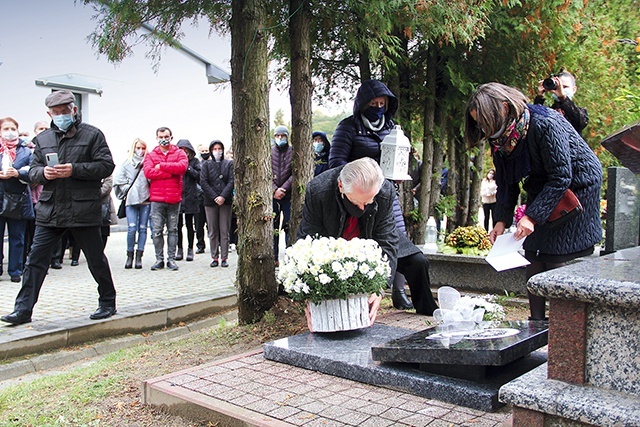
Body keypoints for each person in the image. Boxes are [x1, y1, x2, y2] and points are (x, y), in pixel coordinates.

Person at [465, 82, 602, 320]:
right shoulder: (501, 139)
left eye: (485, 121)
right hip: (544, 185)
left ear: (505, 108)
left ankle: (565, 326)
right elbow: (506, 182)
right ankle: (537, 322)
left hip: (576, 187)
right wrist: (500, 220)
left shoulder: (544, 123)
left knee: (557, 253)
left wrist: (532, 216)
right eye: (478, 123)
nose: (483, 128)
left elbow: (561, 175)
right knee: (532, 253)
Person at [1, 90, 117, 325]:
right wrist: (43, 173)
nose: (62, 116)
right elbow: (32, 171)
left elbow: (106, 166)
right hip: (51, 209)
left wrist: (75, 169)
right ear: (49, 114)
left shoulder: (92, 135)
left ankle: (107, 302)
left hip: (82, 209)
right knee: (35, 260)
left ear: (74, 110)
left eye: (66, 111)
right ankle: (23, 310)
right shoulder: (42, 140)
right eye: (56, 113)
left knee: (95, 258)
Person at [297, 157, 438, 317]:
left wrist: (379, 288)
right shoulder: (318, 190)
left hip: (374, 232)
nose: (362, 208)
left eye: (368, 202)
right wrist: (309, 295)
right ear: (341, 186)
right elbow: (307, 240)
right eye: (357, 202)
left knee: (418, 262)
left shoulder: (384, 191)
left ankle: (428, 314)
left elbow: (388, 241)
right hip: (334, 235)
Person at [327, 79, 418, 311]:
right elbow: (336, 163)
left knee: (396, 238)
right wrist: (362, 179)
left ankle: (398, 292)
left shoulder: (392, 128)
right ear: (362, 104)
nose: (378, 107)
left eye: (382, 103)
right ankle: (354, 292)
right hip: (358, 196)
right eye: (373, 103)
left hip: (387, 195)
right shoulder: (347, 128)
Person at [143, 127, 188, 271]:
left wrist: (162, 166)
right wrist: (170, 173)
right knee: (156, 230)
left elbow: (182, 167)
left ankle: (171, 259)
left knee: (173, 230)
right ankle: (159, 259)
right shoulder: (150, 155)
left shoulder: (179, 153)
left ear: (171, 137)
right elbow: (148, 172)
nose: (164, 138)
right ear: (156, 137)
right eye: (161, 136)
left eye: (166, 136)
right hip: (157, 199)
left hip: (174, 198)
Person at [0, 117, 35, 283]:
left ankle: (15, 270)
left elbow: (34, 172)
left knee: (18, 237)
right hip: (0, 197)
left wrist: (18, 173)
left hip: (18, 199)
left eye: (12, 128)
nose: (9, 132)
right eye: (6, 129)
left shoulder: (26, 151)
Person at [114, 138, 150, 269]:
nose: (140, 151)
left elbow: (152, 178)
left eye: (143, 148)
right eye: (138, 148)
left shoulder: (148, 163)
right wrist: (128, 190)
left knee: (143, 228)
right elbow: (118, 180)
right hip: (130, 200)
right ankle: (129, 255)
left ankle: (139, 255)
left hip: (146, 200)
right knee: (131, 228)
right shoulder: (126, 163)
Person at [200, 140, 234, 268]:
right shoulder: (206, 165)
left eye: (219, 148)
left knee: (224, 230)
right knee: (213, 230)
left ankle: (224, 257)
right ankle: (214, 256)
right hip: (210, 202)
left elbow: (231, 181)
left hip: (225, 202)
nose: (217, 151)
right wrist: (215, 197)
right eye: (214, 149)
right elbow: (203, 182)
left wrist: (223, 196)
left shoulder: (229, 164)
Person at [24, 121, 49, 265]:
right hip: (28, 198)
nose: (43, 131)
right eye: (41, 129)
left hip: (43, 196)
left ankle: (51, 260)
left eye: (46, 128)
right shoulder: (29, 148)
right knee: (28, 232)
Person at [534, 70, 588, 136]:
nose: (561, 89)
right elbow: (535, 121)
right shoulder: (548, 111)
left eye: (565, 87)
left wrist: (563, 97)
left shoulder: (580, 113)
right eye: (558, 86)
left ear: (574, 89)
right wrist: (540, 96)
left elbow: (579, 121)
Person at [175, 139, 201, 262]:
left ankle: (190, 249)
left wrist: (188, 168)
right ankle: (179, 249)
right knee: (177, 225)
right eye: (181, 150)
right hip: (178, 197)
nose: (184, 152)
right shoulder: (174, 161)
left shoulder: (195, 162)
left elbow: (199, 176)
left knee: (190, 225)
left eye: (186, 150)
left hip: (191, 197)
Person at [271, 125, 292, 266]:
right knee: (273, 227)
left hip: (288, 195)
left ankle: (290, 257)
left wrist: (283, 188)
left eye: (282, 136)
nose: (280, 138)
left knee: (289, 226)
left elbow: (296, 173)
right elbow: (265, 173)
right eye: (277, 136)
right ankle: (274, 258)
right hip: (273, 196)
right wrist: (274, 190)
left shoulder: (292, 152)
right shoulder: (269, 152)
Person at [194, 144, 210, 254]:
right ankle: (200, 245)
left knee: (212, 224)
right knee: (199, 224)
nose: (204, 152)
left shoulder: (212, 164)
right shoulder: (197, 164)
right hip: (198, 198)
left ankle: (216, 244)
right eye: (202, 151)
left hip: (210, 197)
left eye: (206, 150)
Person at [100, 175, 117, 248]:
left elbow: (107, 186)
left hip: (104, 204)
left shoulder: (106, 172)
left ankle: (100, 253)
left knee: (104, 230)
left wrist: (92, 194)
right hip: (90, 205)